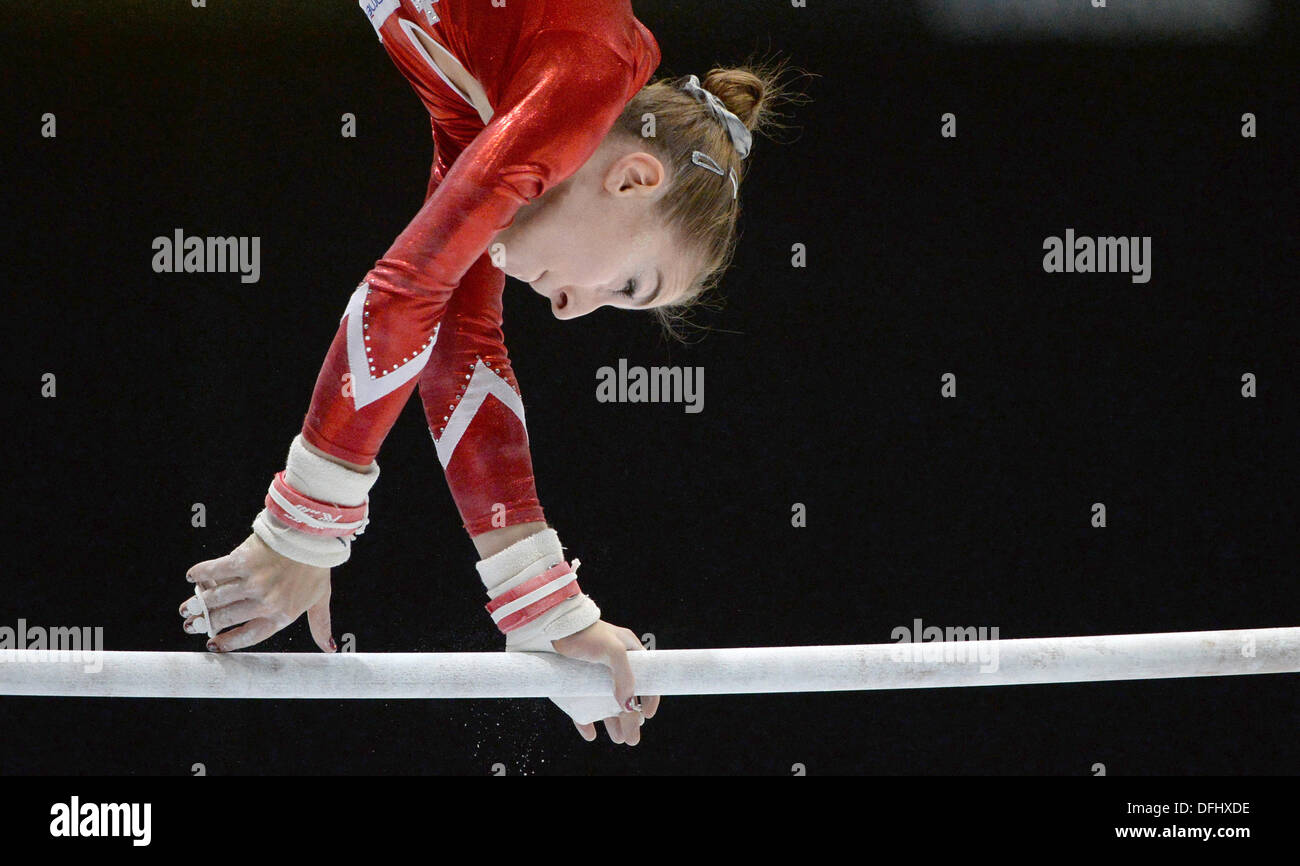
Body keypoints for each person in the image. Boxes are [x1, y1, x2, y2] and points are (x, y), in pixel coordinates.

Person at [179, 0, 784, 747]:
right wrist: (299, 534)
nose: (570, 310)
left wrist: (545, 604)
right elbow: (405, 292)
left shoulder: (496, 101)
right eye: (628, 286)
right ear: (632, 178)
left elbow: (450, 332)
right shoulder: (582, 77)